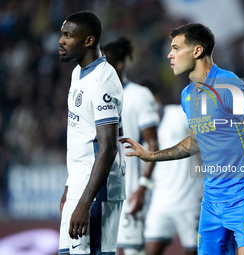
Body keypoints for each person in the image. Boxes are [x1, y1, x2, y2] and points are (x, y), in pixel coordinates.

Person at [120, 23, 244, 255]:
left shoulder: (228, 85)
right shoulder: (187, 96)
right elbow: (195, 141)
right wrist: (152, 155)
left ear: (197, 51)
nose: (169, 55)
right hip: (211, 201)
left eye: (176, 48)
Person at [58, 11, 126, 255]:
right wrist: (70, 187)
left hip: (98, 193)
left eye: (68, 35)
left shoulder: (102, 82)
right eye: (62, 34)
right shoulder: (78, 73)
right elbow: (82, 135)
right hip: (79, 187)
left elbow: (108, 147)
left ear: (88, 41)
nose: (61, 40)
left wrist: (84, 203)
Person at [101, 37, 159, 255]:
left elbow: (153, 144)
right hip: (99, 191)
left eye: (105, 62)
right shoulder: (94, 94)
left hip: (129, 191)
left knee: (134, 251)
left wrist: (143, 187)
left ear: (119, 65)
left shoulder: (139, 95)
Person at [141, 80, 204, 255]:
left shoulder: (178, 115)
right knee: (150, 251)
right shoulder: (142, 130)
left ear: (156, 98)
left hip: (190, 201)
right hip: (161, 202)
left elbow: (204, 136)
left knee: (194, 251)